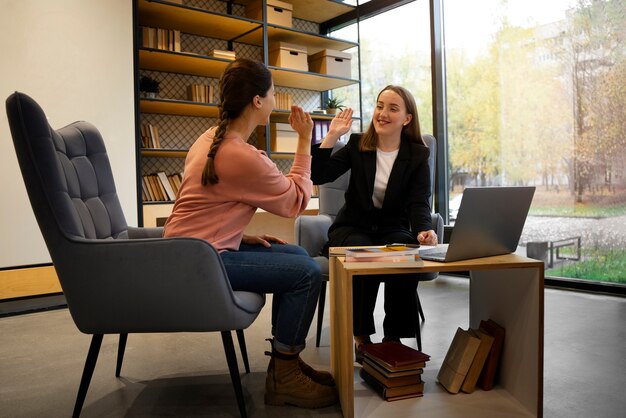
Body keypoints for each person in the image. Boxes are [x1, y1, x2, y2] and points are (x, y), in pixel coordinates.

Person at [163, 58, 352, 408]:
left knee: (296, 255)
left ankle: (286, 363)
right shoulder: (239, 154)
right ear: (256, 101)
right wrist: (304, 140)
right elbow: (295, 201)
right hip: (201, 263)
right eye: (272, 93)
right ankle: (284, 376)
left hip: (189, 253)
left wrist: (239, 236)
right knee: (308, 273)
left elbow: (205, 209)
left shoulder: (209, 140)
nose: (274, 99)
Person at [311, 85, 438, 362]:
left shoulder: (417, 154)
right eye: (380, 106)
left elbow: (419, 201)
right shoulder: (358, 145)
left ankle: (394, 337)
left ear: (407, 118)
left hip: (392, 227)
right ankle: (361, 335)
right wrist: (333, 135)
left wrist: (422, 230)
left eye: (393, 108)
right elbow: (318, 175)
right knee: (362, 251)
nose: (382, 113)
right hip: (353, 227)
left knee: (406, 250)